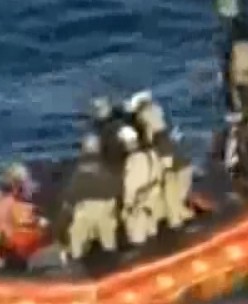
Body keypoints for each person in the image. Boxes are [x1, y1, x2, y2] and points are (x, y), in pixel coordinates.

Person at [56, 134, 121, 262]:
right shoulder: (109, 171)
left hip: (84, 217)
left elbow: (68, 206)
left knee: (77, 242)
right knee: (109, 246)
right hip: (107, 215)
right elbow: (118, 194)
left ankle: (76, 263)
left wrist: (61, 236)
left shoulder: (78, 174)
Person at [133, 98, 194, 229]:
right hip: (185, 166)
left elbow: (167, 167)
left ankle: (176, 221)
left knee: (169, 189)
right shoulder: (170, 127)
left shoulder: (160, 138)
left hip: (176, 172)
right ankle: (180, 212)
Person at [117, 124, 162, 246]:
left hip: (138, 204)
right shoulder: (152, 153)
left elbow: (130, 185)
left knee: (137, 238)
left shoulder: (132, 160)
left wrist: (127, 205)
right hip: (152, 198)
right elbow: (159, 174)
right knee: (152, 233)